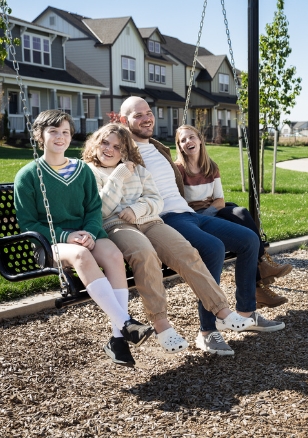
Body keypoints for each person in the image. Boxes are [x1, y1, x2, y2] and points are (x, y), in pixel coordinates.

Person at [119, 96, 285, 357]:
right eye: (137, 115)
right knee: (213, 248)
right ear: (123, 120)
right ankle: (208, 332)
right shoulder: (124, 151)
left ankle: (246, 311)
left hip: (188, 213)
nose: (146, 118)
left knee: (249, 240)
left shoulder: (158, 147)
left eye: (148, 112)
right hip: (165, 219)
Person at [81, 124, 255, 356]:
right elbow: (101, 209)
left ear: (125, 151)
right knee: (145, 255)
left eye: (117, 147)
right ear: (95, 143)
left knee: (186, 252)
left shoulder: (139, 170)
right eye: (105, 143)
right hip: (116, 225)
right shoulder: (89, 171)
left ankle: (221, 310)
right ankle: (162, 326)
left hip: (149, 220)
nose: (109, 150)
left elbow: (155, 199)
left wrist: (138, 208)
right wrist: (118, 176)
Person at [14, 110, 153, 367]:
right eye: (53, 131)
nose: (60, 137)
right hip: (51, 243)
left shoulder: (82, 170)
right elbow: (28, 223)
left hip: (87, 235)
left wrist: (89, 232)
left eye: (65, 132)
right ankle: (125, 323)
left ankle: (117, 339)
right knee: (80, 254)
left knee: (112, 253)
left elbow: (93, 210)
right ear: (39, 136)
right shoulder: (28, 175)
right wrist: (68, 235)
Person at [173, 124, 292, 309]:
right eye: (183, 140)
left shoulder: (211, 167)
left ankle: (263, 262)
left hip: (212, 211)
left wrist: (209, 212)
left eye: (191, 137)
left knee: (241, 212)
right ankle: (258, 284)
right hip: (191, 218)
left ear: (200, 139)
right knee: (243, 239)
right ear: (180, 146)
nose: (188, 141)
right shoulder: (178, 170)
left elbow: (220, 200)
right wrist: (204, 215)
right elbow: (178, 203)